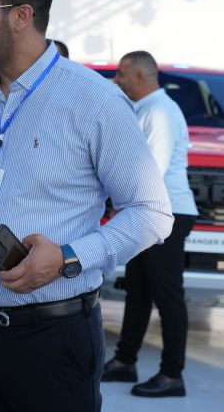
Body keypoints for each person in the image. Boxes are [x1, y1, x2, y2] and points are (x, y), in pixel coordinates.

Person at [0, 0, 173, 412]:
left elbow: (152, 213)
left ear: (21, 15)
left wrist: (68, 259)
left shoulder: (93, 101)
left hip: (55, 339)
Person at [104, 51, 197, 397]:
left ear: (140, 77)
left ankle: (173, 375)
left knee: (168, 296)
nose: (117, 78)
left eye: (121, 73)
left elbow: (149, 172)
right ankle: (124, 361)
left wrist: (116, 206)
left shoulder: (159, 111)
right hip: (148, 212)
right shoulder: (147, 108)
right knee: (139, 291)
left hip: (166, 213)